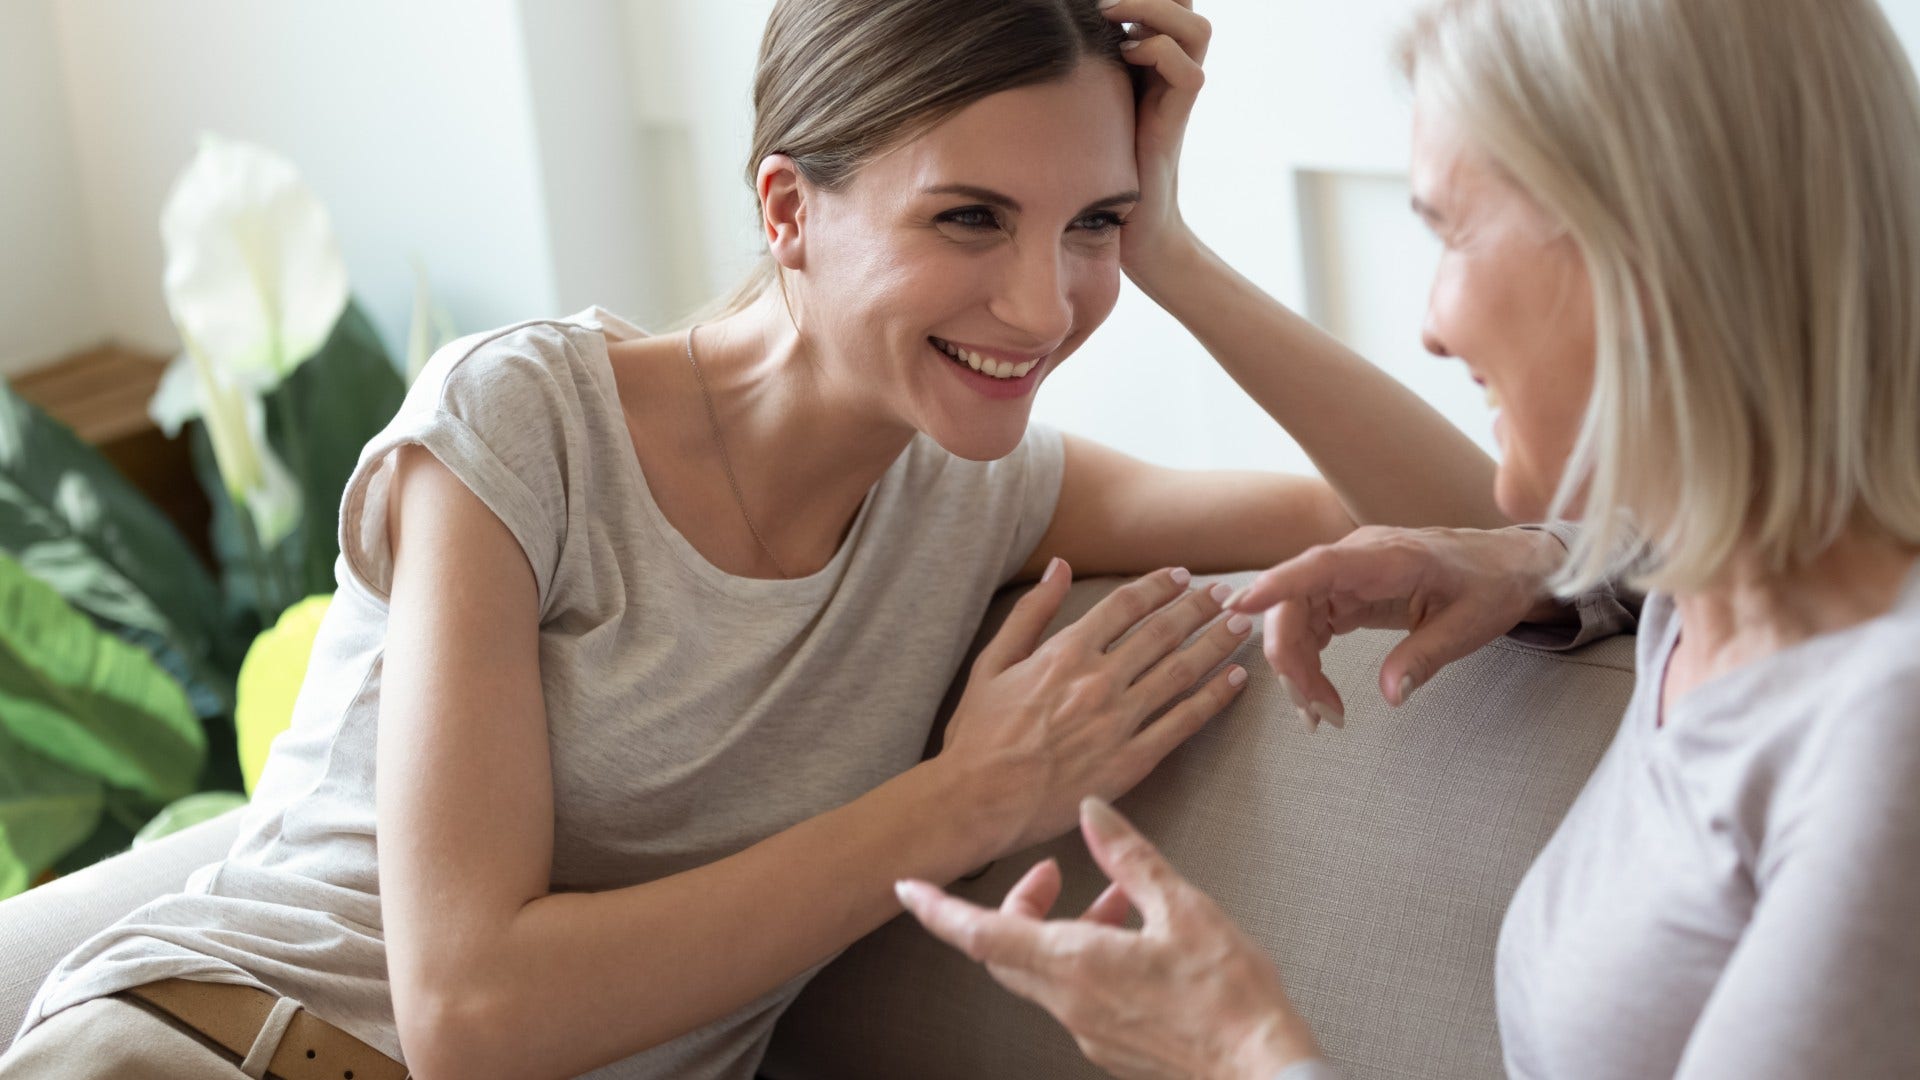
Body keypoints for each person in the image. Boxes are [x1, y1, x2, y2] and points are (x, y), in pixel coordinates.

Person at [1, 2, 1507, 1079]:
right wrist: (964, 802)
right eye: (971, 219)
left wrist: (1169, 245)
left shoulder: (980, 493)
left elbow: (1481, 527)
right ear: (789, 208)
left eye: (1088, 226)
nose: (1045, 305)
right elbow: (471, 1016)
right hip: (217, 1046)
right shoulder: (524, 426)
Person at [896, 0, 1920, 1076]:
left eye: (1452, 233)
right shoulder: (1721, 589)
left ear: (1653, 255)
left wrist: (1242, 1055)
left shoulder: (1884, 740)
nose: (1430, 324)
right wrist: (1547, 564)